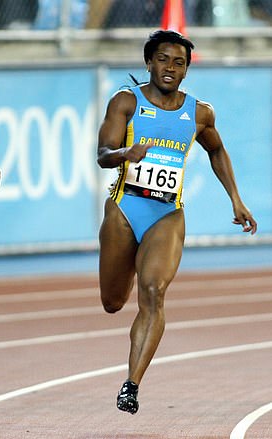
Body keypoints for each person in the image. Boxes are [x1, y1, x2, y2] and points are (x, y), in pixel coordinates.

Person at [95, 30, 257, 415]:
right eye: (164, 60)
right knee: (113, 302)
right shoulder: (126, 102)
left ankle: (131, 385)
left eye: (179, 62)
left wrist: (236, 198)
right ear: (149, 63)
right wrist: (125, 153)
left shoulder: (199, 113)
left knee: (153, 293)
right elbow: (102, 154)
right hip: (123, 209)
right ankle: (128, 267)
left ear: (187, 70)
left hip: (167, 214)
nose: (171, 68)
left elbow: (217, 150)